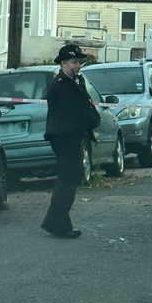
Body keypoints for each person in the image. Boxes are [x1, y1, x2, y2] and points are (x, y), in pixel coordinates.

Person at [41, 43, 100, 240]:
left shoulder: (74, 82)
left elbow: (85, 107)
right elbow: (78, 113)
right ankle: (55, 222)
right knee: (68, 179)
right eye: (74, 62)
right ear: (63, 63)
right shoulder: (61, 87)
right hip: (64, 137)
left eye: (79, 63)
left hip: (71, 135)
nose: (77, 66)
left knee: (70, 179)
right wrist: (93, 119)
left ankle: (59, 222)